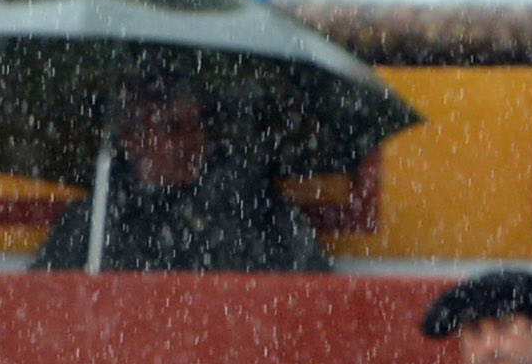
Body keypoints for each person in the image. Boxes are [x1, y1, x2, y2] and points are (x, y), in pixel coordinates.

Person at [32, 80, 329, 275]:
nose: (191, 139)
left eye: (197, 125)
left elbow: (313, 301)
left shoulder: (259, 216)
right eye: (172, 126)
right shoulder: (91, 223)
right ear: (131, 138)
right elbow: (46, 311)